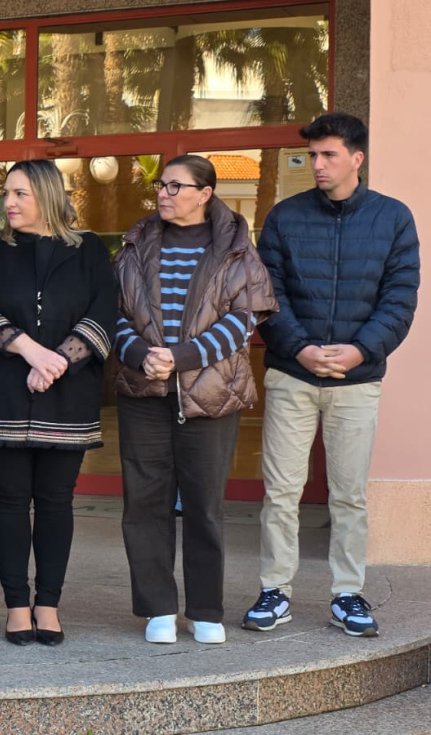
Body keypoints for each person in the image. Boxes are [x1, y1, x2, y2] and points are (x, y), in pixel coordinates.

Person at [245, 112, 419, 637]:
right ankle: (275, 590)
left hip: (357, 381)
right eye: (312, 155)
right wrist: (300, 349)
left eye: (328, 155)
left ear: (356, 158)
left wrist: (359, 351)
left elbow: (400, 298)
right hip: (292, 375)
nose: (317, 164)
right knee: (281, 491)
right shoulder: (285, 216)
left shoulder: (393, 218)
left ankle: (347, 594)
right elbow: (267, 294)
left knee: (348, 494)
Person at [113, 155, 278, 645]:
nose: (163, 193)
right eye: (160, 185)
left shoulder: (236, 249)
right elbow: (112, 312)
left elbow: (244, 320)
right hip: (143, 391)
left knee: (205, 506)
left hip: (210, 395)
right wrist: (140, 354)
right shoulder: (135, 243)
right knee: (144, 503)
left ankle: (206, 609)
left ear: (205, 194)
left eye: (175, 186)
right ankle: (158, 609)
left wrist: (180, 357)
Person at [0, 159, 116, 647]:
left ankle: (48, 604)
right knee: (7, 501)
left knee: (55, 502)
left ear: (47, 195)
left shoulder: (89, 250)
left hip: (67, 396)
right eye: (6, 193)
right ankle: (16, 606)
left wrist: (57, 362)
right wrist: (29, 350)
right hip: (2, 395)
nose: (8, 202)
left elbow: (104, 312)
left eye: (20, 194)